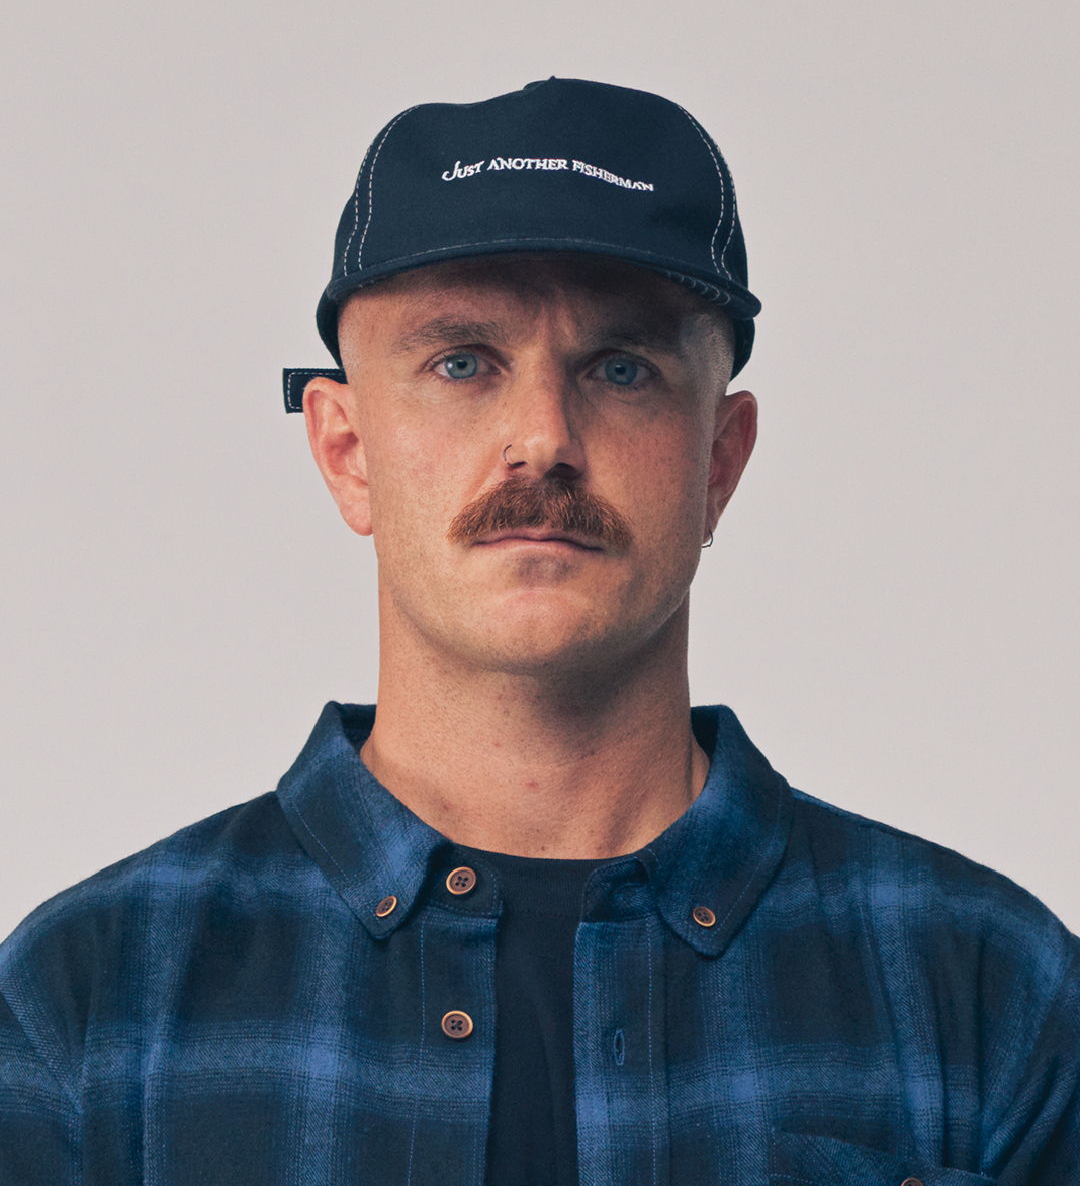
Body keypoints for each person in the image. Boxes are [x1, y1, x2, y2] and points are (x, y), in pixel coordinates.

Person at [0, 77, 1076, 1185]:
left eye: (622, 368)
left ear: (719, 460)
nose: (543, 438)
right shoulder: (85, 1009)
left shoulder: (995, 993)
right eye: (461, 363)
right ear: (346, 450)